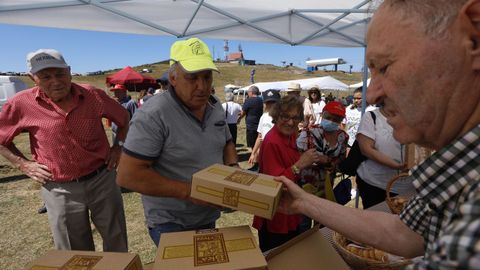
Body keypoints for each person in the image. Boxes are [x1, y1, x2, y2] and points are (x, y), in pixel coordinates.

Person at [275, 1, 480, 268]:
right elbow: (406, 233)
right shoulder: (462, 172)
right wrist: (302, 201)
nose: (372, 95)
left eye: (384, 66)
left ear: (473, 36)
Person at [0, 48, 129, 251]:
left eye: (60, 74)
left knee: (116, 238)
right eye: (46, 76)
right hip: (59, 188)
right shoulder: (21, 103)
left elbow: (124, 119)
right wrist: (23, 165)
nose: (56, 81)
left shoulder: (92, 94)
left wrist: (118, 147)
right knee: (73, 250)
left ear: (69, 71)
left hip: (102, 178)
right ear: (32, 78)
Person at [116, 37, 238, 246]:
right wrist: (191, 192)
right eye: (192, 77)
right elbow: (128, 176)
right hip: (170, 222)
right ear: (173, 77)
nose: (202, 86)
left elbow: (226, 140)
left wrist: (234, 168)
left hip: (207, 215)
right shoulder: (153, 114)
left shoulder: (214, 105)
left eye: (207, 77)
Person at [252, 95, 321, 252]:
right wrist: (300, 164)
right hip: (277, 214)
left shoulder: (289, 136)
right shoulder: (272, 141)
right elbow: (275, 183)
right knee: (276, 257)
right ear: (276, 116)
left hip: (288, 211)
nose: (290, 122)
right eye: (285, 116)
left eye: (295, 118)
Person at [296, 101, 349, 229]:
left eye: (336, 119)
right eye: (328, 117)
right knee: (303, 223)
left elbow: (341, 156)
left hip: (326, 186)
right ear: (322, 114)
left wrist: (334, 163)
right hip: (306, 185)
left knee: (323, 222)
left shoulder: (343, 137)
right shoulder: (308, 132)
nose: (331, 121)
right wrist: (319, 159)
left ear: (341, 120)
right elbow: (297, 153)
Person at [356, 105, 413, 209]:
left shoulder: (415, 118)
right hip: (374, 183)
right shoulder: (372, 116)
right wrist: (395, 165)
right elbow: (366, 149)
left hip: (408, 186)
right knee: (374, 219)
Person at [248, 89, 281, 168]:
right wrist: (253, 153)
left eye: (273, 102)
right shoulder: (264, 116)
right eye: (268, 102)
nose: (271, 105)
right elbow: (259, 137)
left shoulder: (282, 118)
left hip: (276, 153)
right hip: (264, 152)